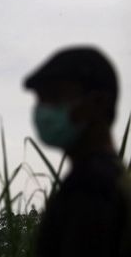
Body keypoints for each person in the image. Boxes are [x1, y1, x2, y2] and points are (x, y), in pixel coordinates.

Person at [23, 46, 131, 257]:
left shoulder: (91, 186)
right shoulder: (115, 179)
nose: (42, 110)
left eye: (54, 97)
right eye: (40, 100)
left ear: (98, 103)